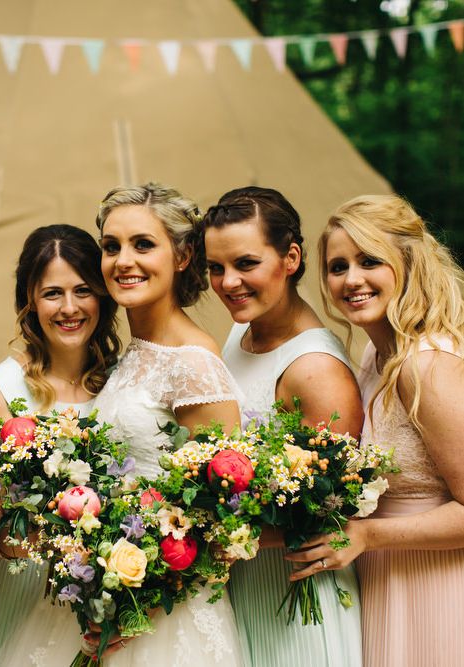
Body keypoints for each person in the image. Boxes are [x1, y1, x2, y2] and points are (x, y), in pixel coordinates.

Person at [0, 183, 245, 665]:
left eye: (143, 244)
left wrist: (138, 605)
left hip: (161, 615)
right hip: (106, 593)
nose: (122, 260)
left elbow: (226, 519)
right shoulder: (131, 354)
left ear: (182, 255)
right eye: (111, 247)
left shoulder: (193, 363)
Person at [287, 194, 464, 666]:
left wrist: (368, 537)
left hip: (436, 583)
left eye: (369, 261)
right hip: (385, 579)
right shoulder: (374, 357)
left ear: (407, 264)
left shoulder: (423, 365)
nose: (351, 280)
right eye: (337, 266)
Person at [202, 186, 364, 667]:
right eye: (216, 267)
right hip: (245, 584)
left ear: (290, 257)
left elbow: (331, 512)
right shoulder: (239, 333)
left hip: (297, 598)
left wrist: (205, 535)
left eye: (246, 264)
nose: (228, 282)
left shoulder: (316, 368)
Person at [0, 224, 120, 666]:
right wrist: (55, 546)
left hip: (114, 596)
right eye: (53, 293)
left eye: (83, 290)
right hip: (26, 595)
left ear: (103, 296)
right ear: (29, 300)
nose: (69, 308)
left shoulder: (124, 384)